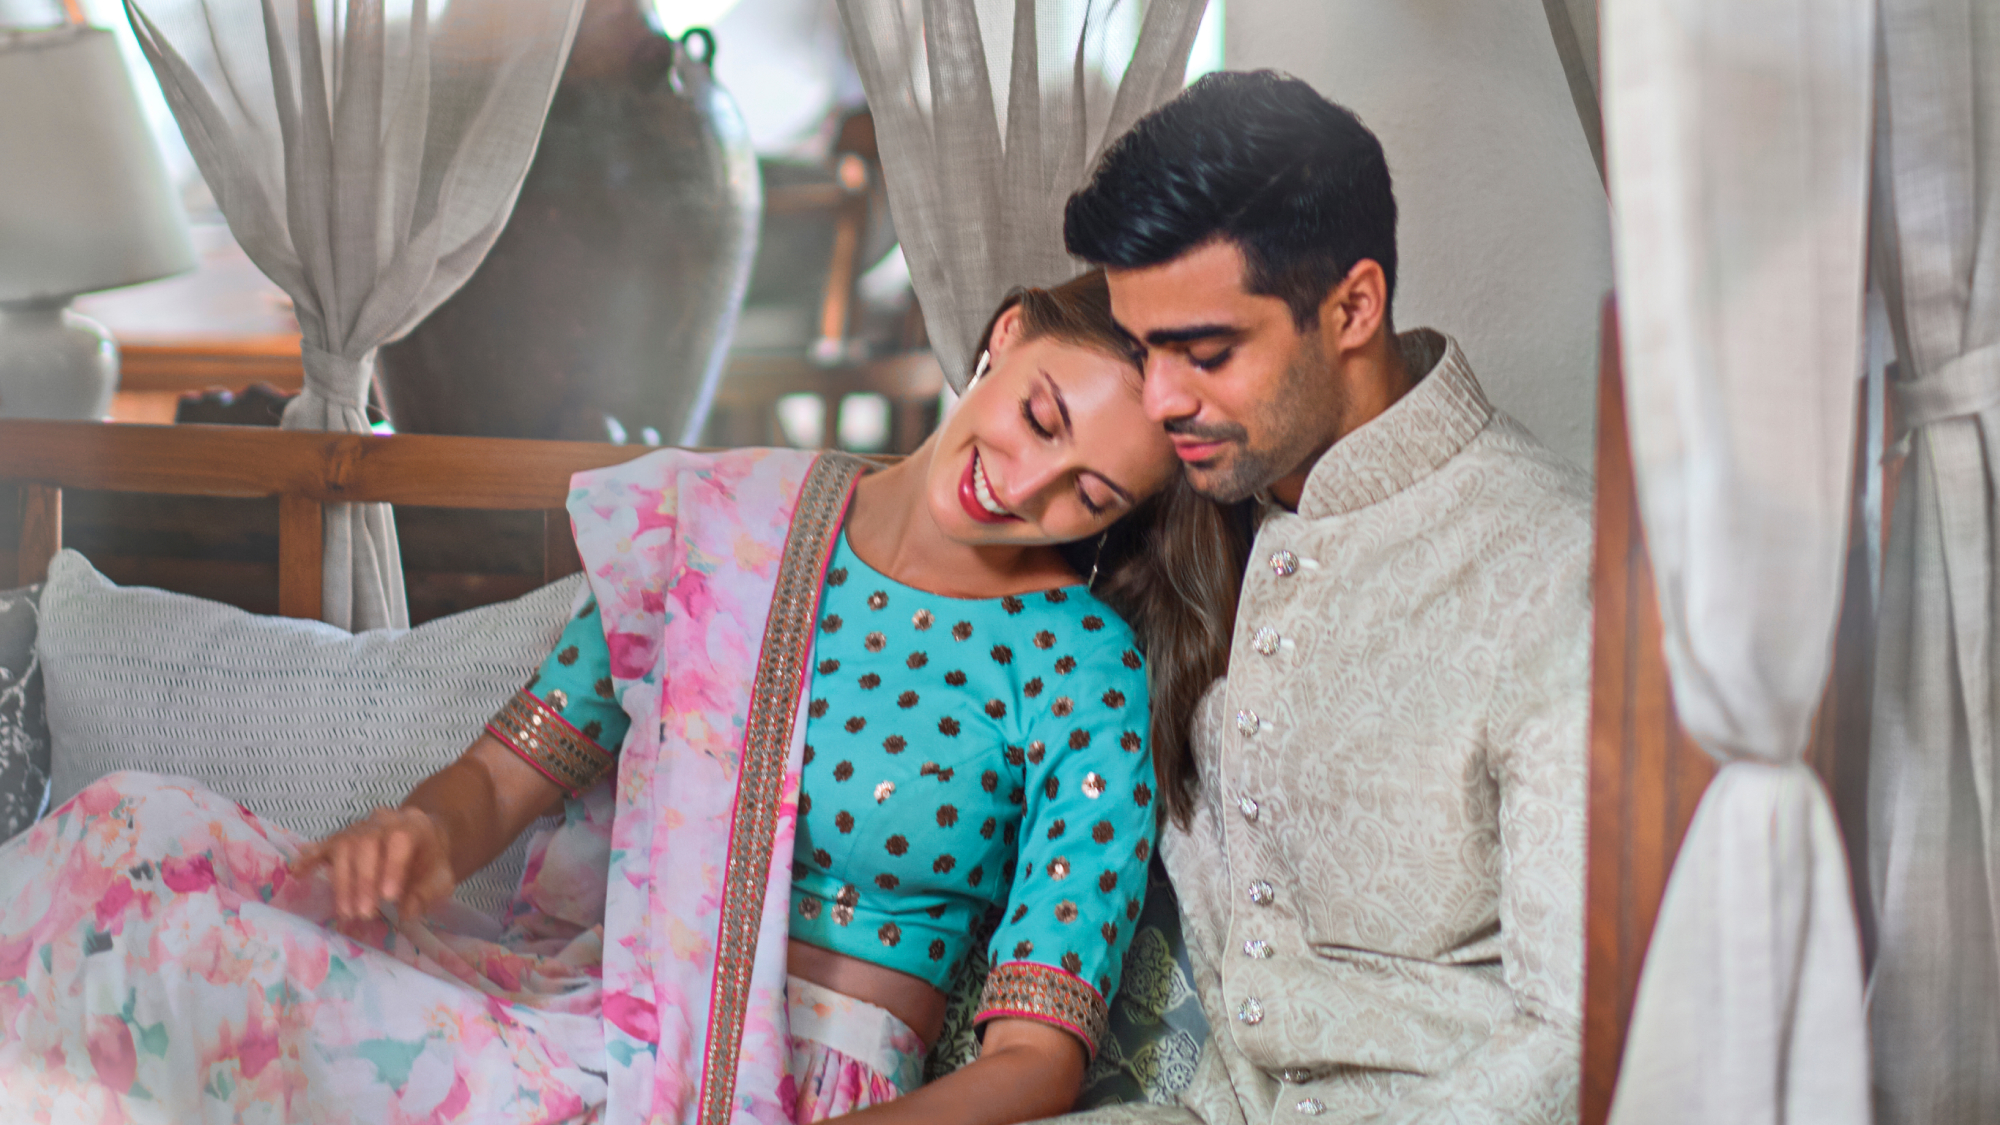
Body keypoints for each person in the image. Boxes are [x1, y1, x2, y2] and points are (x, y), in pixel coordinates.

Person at [0, 271, 1249, 1125]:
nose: (1025, 484)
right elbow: (506, 772)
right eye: (1038, 417)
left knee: (194, 961)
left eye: (1088, 494)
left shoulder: (1072, 661)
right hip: (599, 1003)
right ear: (1006, 334)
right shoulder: (730, 522)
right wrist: (420, 838)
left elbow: (1037, 1054)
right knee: (128, 826)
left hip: (785, 1082)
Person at [1050, 73, 1592, 1124]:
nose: (1160, 401)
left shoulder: (1553, 573)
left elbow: (1576, 1047)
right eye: (1139, 350)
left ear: (1351, 307)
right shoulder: (1204, 525)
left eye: (1205, 353)